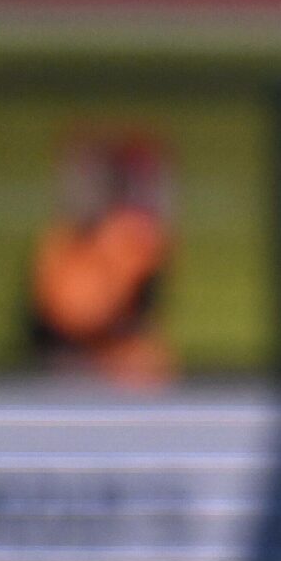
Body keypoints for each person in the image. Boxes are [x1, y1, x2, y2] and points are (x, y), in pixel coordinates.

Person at [27, 140, 175, 388]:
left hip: (110, 348)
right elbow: (69, 317)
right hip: (68, 353)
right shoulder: (60, 246)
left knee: (148, 365)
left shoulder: (132, 239)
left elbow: (138, 310)